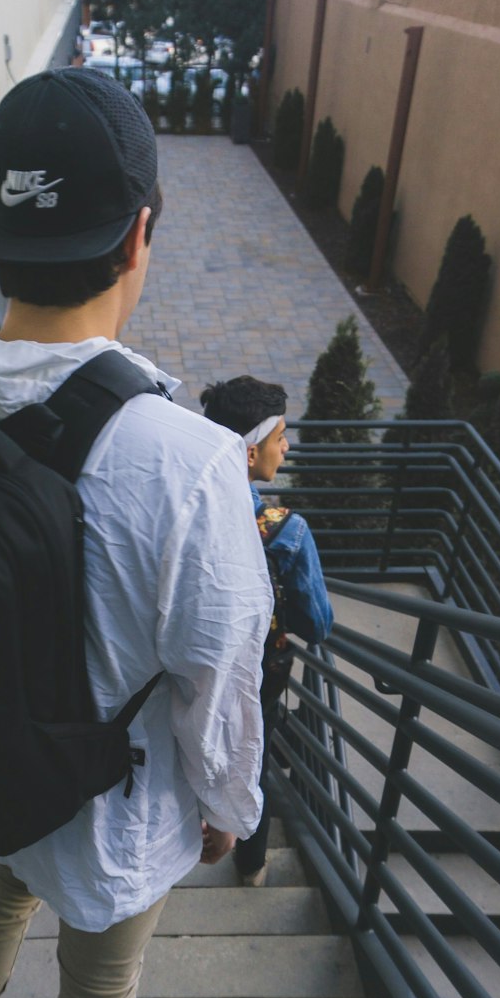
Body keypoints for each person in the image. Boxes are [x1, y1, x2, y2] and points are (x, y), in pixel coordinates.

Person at [0, 68, 273, 998]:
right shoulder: (186, 462)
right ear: (138, 240)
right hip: (109, 796)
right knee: (101, 971)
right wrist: (228, 805)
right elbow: (215, 669)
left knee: (2, 884)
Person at [200, 376, 333, 887]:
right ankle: (250, 862)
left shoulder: (186, 509)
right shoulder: (286, 531)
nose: (288, 446)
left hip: (191, 665)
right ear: (252, 452)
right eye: (281, 437)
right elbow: (316, 625)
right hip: (258, 674)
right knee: (250, 756)